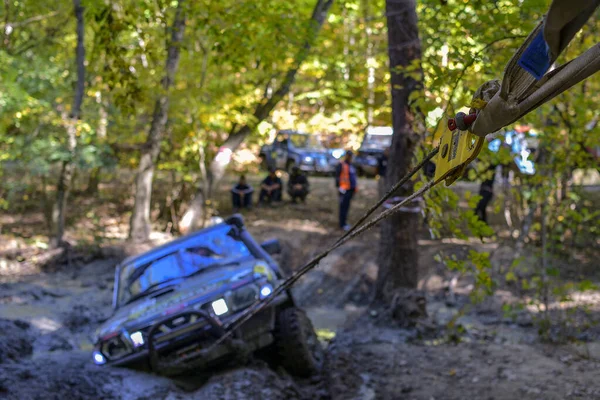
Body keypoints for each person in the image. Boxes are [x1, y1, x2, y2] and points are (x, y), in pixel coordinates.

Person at [335, 150, 357, 231]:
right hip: (344, 190)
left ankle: (344, 223)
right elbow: (337, 177)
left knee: (347, 207)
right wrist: (339, 188)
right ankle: (342, 224)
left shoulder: (352, 165)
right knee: (343, 207)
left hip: (350, 189)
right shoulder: (341, 164)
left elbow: (353, 178)